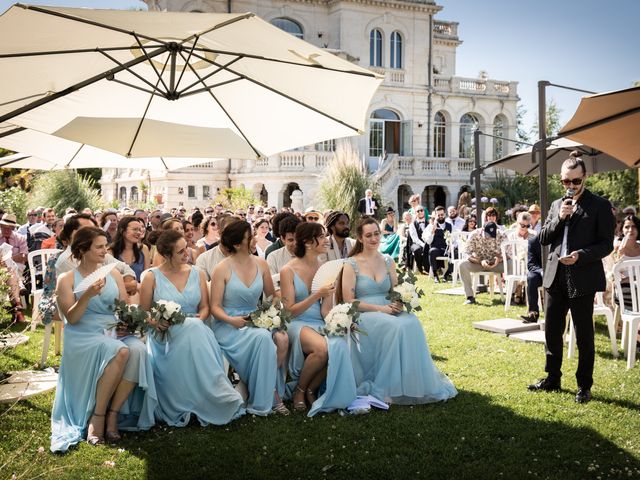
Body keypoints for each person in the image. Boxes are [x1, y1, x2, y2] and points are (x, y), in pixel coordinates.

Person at [51, 227, 156, 451]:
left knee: (137, 349)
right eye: (98, 247)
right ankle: (97, 418)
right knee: (121, 351)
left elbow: (123, 308)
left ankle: (113, 414)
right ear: (82, 249)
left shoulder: (113, 273)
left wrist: (128, 323)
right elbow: (72, 318)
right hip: (83, 333)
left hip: (112, 329)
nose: (105, 250)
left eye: (105, 246)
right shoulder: (66, 279)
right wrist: (87, 295)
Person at [528, 152, 615, 404]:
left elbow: (606, 244)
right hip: (555, 275)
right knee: (552, 331)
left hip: (583, 275)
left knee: (584, 334)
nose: (570, 187)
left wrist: (581, 255)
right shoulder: (557, 205)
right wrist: (560, 217)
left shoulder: (599, 205)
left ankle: (583, 386)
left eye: (575, 182)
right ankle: (552, 378)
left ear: (584, 178)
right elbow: (543, 237)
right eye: (566, 182)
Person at [341, 217, 457, 404]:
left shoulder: (387, 260)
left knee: (412, 322)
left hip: (388, 307)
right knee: (396, 327)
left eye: (376, 234)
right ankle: (389, 386)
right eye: (368, 235)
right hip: (364, 312)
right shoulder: (351, 264)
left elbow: (395, 289)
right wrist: (381, 309)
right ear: (360, 238)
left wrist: (401, 301)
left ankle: (411, 382)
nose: (373, 239)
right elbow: (349, 300)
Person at [140, 230, 245, 426]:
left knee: (194, 327)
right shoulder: (151, 277)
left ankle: (213, 395)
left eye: (186, 248)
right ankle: (188, 400)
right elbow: (143, 312)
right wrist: (156, 322)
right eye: (180, 252)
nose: (186, 254)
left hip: (195, 328)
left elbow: (205, 307)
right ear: (167, 255)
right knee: (194, 328)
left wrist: (199, 318)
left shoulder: (197, 273)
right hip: (165, 334)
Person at [210, 221, 289, 415]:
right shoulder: (222, 268)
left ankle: (262, 390)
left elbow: (271, 297)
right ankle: (268, 398)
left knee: (280, 338)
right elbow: (215, 307)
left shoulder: (261, 264)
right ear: (237, 244)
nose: (255, 238)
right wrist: (232, 320)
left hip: (256, 318)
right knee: (262, 338)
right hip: (228, 324)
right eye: (250, 236)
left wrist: (277, 309)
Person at [280, 222, 357, 415]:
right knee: (322, 348)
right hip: (296, 323)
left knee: (338, 343)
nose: (326, 240)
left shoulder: (326, 268)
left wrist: (337, 322)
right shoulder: (288, 270)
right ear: (307, 242)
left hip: (318, 321)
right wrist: (316, 294)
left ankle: (311, 389)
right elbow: (289, 312)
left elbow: (325, 309)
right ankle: (299, 391)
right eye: (321, 236)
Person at [459, 221, 506, 305]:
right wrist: (479, 261)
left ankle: (513, 296)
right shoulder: (474, 235)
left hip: (496, 264)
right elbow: (466, 253)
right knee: (462, 265)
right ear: (482, 230)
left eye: (492, 235)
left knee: (511, 264)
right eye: (487, 235)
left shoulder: (502, 235)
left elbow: (509, 253)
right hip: (478, 263)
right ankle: (470, 297)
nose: (489, 238)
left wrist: (498, 259)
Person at [109, 216, 151, 283]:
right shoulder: (110, 251)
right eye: (135, 229)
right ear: (122, 230)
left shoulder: (143, 248)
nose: (138, 232)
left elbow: (146, 277)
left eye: (140, 230)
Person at [423, 206, 452, 283]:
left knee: (455, 252)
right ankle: (435, 275)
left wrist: (451, 246)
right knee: (432, 251)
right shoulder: (431, 226)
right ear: (435, 216)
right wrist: (433, 231)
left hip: (446, 248)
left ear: (445, 214)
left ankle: (447, 274)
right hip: (436, 248)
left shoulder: (450, 225)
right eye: (438, 215)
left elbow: (454, 238)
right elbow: (428, 241)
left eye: (442, 214)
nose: (440, 216)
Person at [521, 234, 543, 323]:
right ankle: (533, 313)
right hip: (541, 272)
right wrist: (542, 271)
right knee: (531, 277)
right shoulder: (534, 241)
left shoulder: (560, 238)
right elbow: (531, 264)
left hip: (559, 271)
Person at [408, 206, 429, 274]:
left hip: (427, 242)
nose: (420, 212)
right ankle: (420, 268)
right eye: (418, 211)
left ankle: (430, 267)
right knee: (417, 249)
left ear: (424, 211)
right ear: (415, 213)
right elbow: (415, 239)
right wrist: (423, 245)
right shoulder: (412, 224)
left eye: (421, 210)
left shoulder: (428, 223)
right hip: (415, 243)